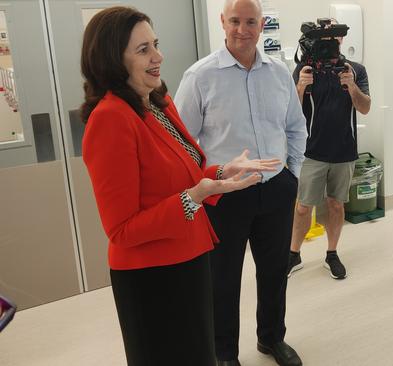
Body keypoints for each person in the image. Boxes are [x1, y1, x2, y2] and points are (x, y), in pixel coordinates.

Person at [80, 6, 279, 366]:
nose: (158, 57)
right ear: (112, 58)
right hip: (152, 277)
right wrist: (196, 197)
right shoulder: (110, 119)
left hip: (189, 258)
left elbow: (188, 169)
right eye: (143, 50)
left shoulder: (157, 101)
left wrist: (221, 172)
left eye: (154, 44)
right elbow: (121, 230)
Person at [174, 0, 307, 365]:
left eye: (250, 21)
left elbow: (295, 127)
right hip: (226, 197)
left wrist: (291, 173)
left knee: (275, 269)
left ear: (261, 24)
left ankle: (271, 339)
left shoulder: (279, 74)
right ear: (222, 22)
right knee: (223, 278)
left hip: (276, 190)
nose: (242, 29)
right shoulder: (200, 76)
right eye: (235, 21)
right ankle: (224, 353)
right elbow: (182, 142)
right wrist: (207, 185)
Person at [287, 18, 371, 280]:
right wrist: (300, 86)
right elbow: (290, 113)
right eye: (324, 39)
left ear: (341, 39)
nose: (329, 43)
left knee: (335, 205)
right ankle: (293, 254)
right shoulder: (304, 69)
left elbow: (365, 107)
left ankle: (332, 254)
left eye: (333, 38)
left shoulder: (355, 69)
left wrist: (351, 85)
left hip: (344, 150)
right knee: (303, 207)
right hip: (311, 151)